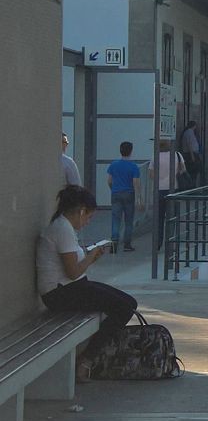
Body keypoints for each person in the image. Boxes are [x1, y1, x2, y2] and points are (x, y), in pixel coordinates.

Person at [37, 185, 137, 379]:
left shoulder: (62, 226)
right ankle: (87, 359)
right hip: (61, 294)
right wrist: (91, 257)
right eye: (89, 217)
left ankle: (90, 357)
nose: (88, 222)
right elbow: (73, 272)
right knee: (124, 308)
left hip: (71, 288)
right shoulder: (62, 229)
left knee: (128, 303)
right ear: (81, 211)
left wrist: (92, 256)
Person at [106, 141, 142, 252]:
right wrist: (139, 198)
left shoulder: (113, 165)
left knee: (116, 219)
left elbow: (109, 180)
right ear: (131, 151)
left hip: (116, 193)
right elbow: (136, 182)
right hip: (129, 193)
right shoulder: (133, 166)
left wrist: (113, 189)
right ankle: (127, 244)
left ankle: (114, 243)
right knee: (128, 220)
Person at [153, 139, 186, 252]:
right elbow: (183, 170)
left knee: (159, 217)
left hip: (159, 189)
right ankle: (171, 241)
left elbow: (151, 174)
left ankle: (158, 242)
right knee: (172, 216)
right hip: (174, 188)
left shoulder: (155, 157)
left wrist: (160, 178)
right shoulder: (177, 155)